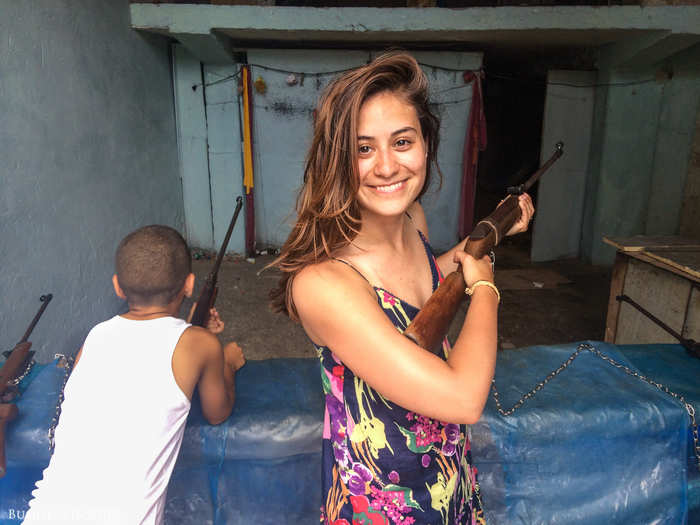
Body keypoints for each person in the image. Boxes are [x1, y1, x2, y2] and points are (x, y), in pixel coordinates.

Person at [270, 52, 534, 524]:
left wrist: (485, 236)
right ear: (336, 160)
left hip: (447, 472)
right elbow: (464, 399)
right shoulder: (324, 283)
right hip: (383, 502)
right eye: (363, 148)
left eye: (403, 141)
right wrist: (486, 287)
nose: (387, 166)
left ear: (426, 145)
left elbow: (422, 281)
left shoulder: (413, 219)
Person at [23, 225, 245, 524]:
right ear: (190, 284)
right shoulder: (200, 345)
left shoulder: (96, 336)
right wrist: (227, 362)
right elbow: (217, 413)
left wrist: (194, 331)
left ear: (117, 286)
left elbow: (138, 369)